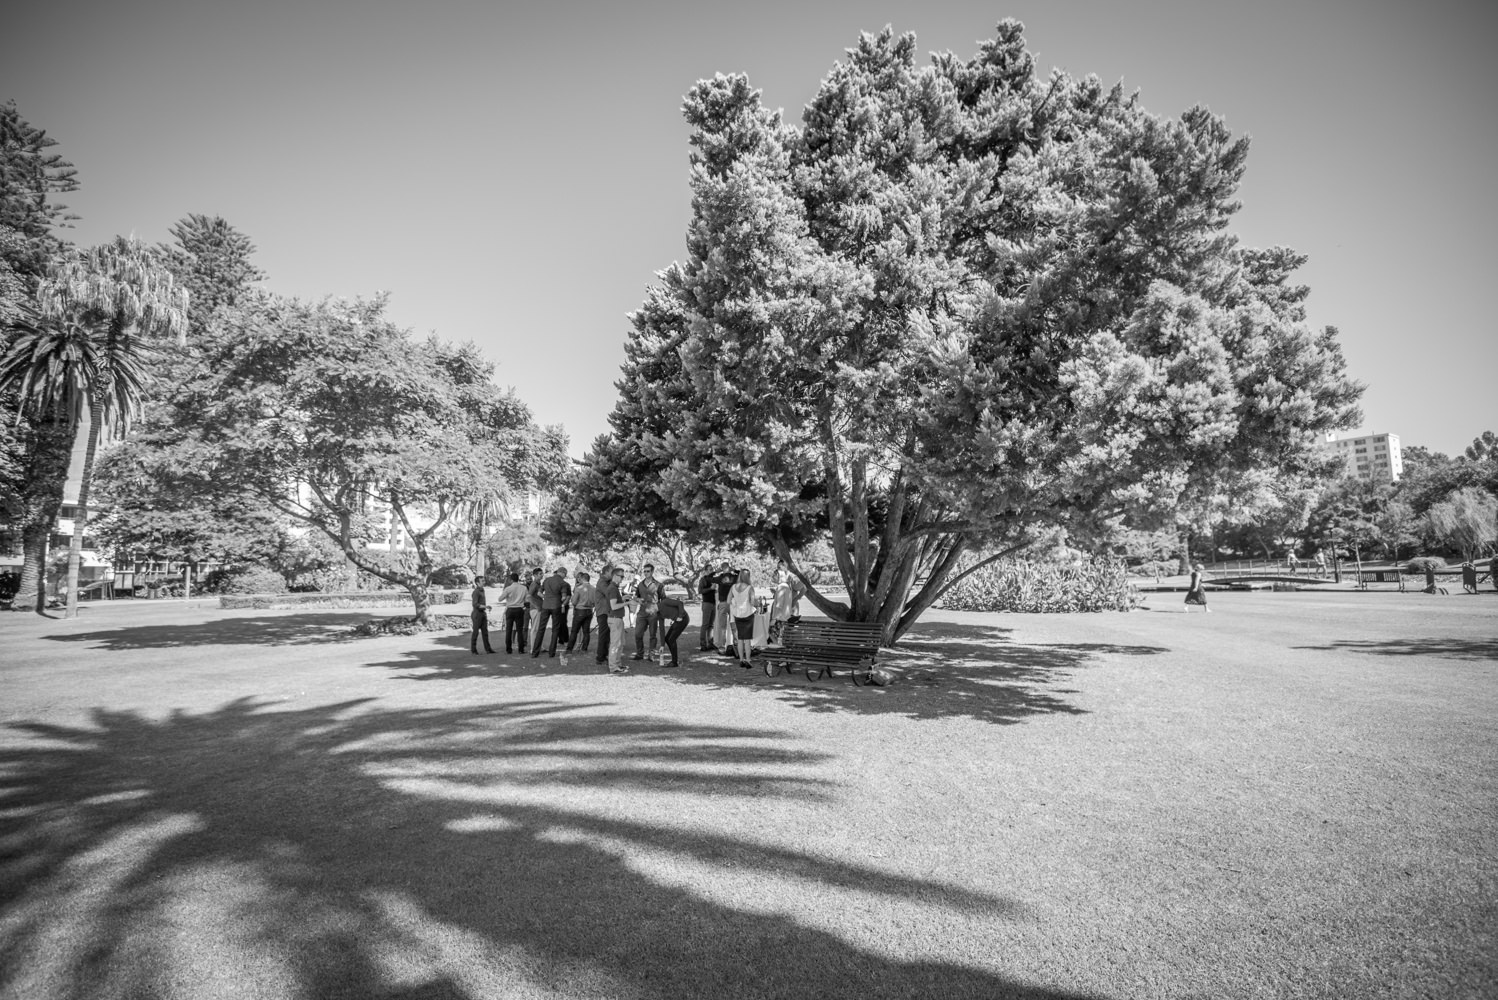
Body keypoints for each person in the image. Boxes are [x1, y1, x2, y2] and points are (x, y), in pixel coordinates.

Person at [532, 567, 572, 659]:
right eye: (565, 574)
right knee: (555, 629)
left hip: (545, 606)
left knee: (541, 629)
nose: (565, 576)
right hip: (556, 606)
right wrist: (560, 600)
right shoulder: (563, 583)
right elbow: (563, 597)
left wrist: (546, 597)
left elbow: (539, 593)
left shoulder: (547, 580)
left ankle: (535, 652)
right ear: (563, 573)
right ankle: (551, 652)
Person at [631, 563, 663, 661]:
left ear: (652, 572)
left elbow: (664, 599)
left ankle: (651, 654)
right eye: (644, 571)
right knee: (638, 634)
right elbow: (636, 596)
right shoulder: (640, 584)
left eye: (648, 571)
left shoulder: (658, 585)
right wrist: (638, 599)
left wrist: (660, 611)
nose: (645, 573)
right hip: (642, 612)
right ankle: (640, 654)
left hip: (653, 612)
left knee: (653, 635)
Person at [602, 566, 630, 674]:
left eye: (623, 576)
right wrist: (627, 603)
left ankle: (618, 664)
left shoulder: (613, 587)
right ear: (614, 576)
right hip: (615, 619)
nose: (622, 579)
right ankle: (613, 667)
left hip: (617, 619)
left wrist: (623, 598)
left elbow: (614, 601)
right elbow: (613, 606)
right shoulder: (613, 588)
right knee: (615, 643)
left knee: (621, 643)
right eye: (621, 576)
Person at [727, 569, 757, 667]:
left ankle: (741, 659)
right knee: (747, 639)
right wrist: (756, 603)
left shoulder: (733, 587)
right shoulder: (749, 588)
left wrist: (735, 603)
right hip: (748, 614)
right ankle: (748, 660)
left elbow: (728, 600)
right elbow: (752, 602)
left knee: (740, 638)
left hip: (737, 614)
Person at [657, 586, 690, 667]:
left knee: (671, 639)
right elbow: (661, 630)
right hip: (676, 620)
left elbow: (680, 603)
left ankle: (674, 662)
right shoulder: (658, 615)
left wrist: (680, 616)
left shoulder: (664, 602)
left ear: (653, 607)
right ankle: (674, 660)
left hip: (683, 618)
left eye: (650, 612)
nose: (651, 614)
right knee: (667, 639)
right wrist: (662, 645)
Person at [500, 572, 530, 654]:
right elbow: (527, 599)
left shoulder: (508, 589)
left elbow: (500, 599)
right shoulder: (523, 588)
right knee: (519, 630)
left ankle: (508, 649)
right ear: (518, 579)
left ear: (511, 580)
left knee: (508, 630)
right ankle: (521, 649)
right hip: (519, 609)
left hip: (510, 609)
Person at [567, 571, 596, 653]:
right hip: (589, 610)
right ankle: (584, 648)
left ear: (583, 579)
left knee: (574, 631)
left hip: (580, 610)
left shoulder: (579, 588)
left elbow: (574, 602)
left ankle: (569, 649)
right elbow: (595, 602)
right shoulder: (594, 589)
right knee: (586, 631)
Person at [713, 560, 737, 655]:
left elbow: (708, 578)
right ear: (729, 568)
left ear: (722, 569)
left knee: (722, 626)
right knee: (734, 626)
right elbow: (742, 574)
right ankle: (736, 645)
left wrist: (716, 571)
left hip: (723, 603)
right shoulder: (735, 577)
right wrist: (734, 570)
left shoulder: (720, 578)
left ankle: (722, 647)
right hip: (732, 603)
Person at [767, 572, 794, 645]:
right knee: (780, 639)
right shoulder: (787, 586)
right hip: (785, 618)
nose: (772, 577)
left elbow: (779, 605)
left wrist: (774, 619)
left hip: (779, 619)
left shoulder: (781, 587)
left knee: (771, 634)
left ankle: (777, 651)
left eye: (774, 575)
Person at [697, 561, 718, 651]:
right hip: (706, 604)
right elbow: (700, 591)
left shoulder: (714, 579)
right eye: (709, 570)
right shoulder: (703, 579)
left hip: (714, 604)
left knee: (711, 625)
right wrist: (710, 588)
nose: (711, 571)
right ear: (705, 571)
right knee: (705, 625)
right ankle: (703, 644)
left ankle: (710, 643)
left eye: (712, 569)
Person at [470, 579, 494, 654]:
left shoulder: (482, 590)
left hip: (482, 613)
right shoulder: (476, 592)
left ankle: (488, 649)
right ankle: (473, 649)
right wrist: (485, 606)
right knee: (476, 632)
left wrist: (485, 607)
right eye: (482, 581)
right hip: (477, 614)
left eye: (484, 580)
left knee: (485, 632)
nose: (484, 582)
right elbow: (475, 604)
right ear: (477, 583)